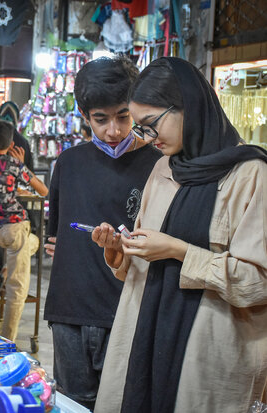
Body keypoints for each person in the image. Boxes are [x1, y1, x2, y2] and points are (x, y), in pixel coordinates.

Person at [91, 57, 267, 413]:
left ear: (190, 106)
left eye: (151, 124)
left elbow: (257, 281)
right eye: (140, 128)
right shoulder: (162, 169)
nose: (147, 138)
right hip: (145, 338)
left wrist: (180, 251)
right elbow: (145, 258)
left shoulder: (250, 175)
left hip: (205, 352)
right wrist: (119, 254)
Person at [44, 56, 162, 410]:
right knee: (72, 403)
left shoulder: (158, 164)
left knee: (124, 402)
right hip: (70, 310)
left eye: (123, 116)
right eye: (101, 119)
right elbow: (55, 241)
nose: (113, 129)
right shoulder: (68, 163)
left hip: (127, 309)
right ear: (84, 115)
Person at [0, 120, 48, 341]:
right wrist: (21, 163)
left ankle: (4, 272)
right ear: (12, 143)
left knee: (30, 243)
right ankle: (8, 341)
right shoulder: (15, 165)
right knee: (17, 291)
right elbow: (43, 191)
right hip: (15, 229)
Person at [0, 101, 35, 277]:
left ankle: (3, 267)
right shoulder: (23, 142)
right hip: (17, 200)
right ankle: (6, 270)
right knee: (21, 240)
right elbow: (32, 175)